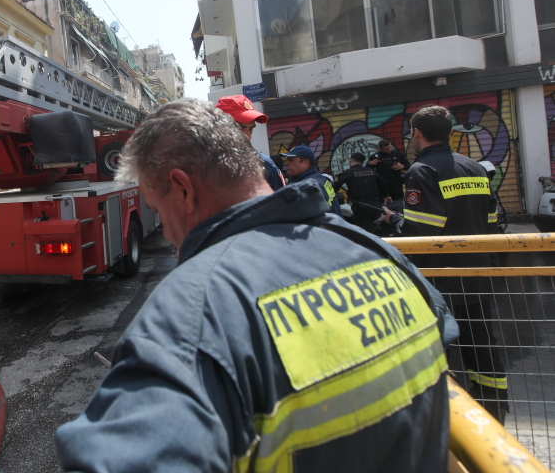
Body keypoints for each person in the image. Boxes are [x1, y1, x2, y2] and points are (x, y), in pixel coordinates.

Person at [56, 99, 457, 473]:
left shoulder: (192, 310)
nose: (168, 232)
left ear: (184, 190)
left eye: (157, 208)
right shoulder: (378, 253)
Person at [382, 104, 508, 423]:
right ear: (451, 133)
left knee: (438, 348)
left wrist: (394, 221)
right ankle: (494, 411)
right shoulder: (475, 168)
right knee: (482, 345)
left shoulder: (422, 170)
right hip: (477, 274)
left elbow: (422, 231)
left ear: (417, 133)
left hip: (439, 279)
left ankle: (444, 419)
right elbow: (491, 223)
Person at [215, 95, 285, 191]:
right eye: (240, 128)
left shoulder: (265, 166)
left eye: (251, 129)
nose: (248, 136)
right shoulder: (200, 166)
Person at [279, 145, 342, 216]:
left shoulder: (308, 187)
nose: (286, 163)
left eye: (291, 160)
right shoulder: (319, 178)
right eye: (287, 160)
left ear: (305, 163)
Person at [333, 152, 389, 232]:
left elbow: (335, 187)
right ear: (362, 162)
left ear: (351, 160)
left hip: (361, 207)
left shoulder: (348, 173)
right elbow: (383, 183)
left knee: (365, 232)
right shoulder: (371, 171)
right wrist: (386, 196)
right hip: (375, 206)